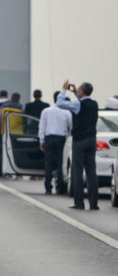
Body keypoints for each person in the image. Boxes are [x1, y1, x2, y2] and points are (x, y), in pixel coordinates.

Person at [57, 80, 99, 210]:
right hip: (92, 140)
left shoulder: (77, 104)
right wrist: (75, 92)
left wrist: (63, 90)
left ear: (82, 91)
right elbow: (82, 103)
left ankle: (79, 202)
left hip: (79, 140)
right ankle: (93, 203)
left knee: (77, 171)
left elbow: (60, 103)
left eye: (79, 89)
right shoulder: (94, 104)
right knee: (92, 172)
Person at [39, 91, 72, 195]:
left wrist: (41, 140)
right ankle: (60, 186)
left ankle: (48, 187)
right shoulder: (67, 112)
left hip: (49, 138)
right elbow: (71, 128)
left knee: (48, 163)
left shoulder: (46, 111)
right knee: (60, 163)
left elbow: (42, 127)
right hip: (61, 139)